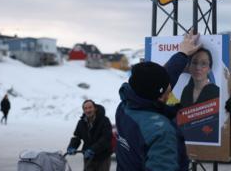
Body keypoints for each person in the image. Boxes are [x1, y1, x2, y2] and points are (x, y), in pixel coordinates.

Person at [115, 31, 201, 171]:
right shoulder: (161, 132)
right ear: (160, 97)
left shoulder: (125, 106)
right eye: (168, 91)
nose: (170, 90)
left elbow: (160, 78)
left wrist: (182, 54)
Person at [67, 100, 112, 171]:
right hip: (88, 156)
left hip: (103, 157)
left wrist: (93, 149)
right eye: (85, 108)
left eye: (90, 107)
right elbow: (77, 137)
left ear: (95, 108)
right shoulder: (81, 122)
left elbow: (106, 138)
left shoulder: (104, 120)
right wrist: (72, 146)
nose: (88, 110)